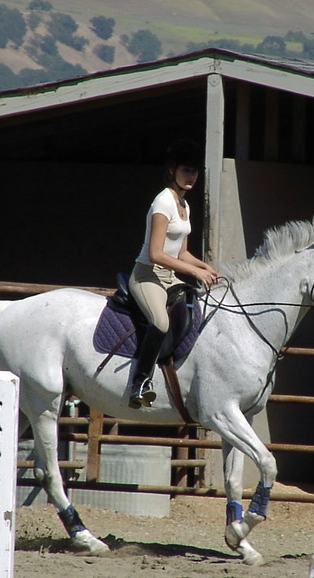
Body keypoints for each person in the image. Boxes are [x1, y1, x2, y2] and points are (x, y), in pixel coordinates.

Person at [127, 139, 219, 409]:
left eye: (194, 171)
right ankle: (140, 383)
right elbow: (156, 254)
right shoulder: (163, 202)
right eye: (186, 170)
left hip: (170, 277)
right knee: (160, 322)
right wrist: (193, 271)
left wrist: (205, 267)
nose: (191, 176)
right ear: (172, 170)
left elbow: (181, 253)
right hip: (147, 276)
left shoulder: (185, 206)